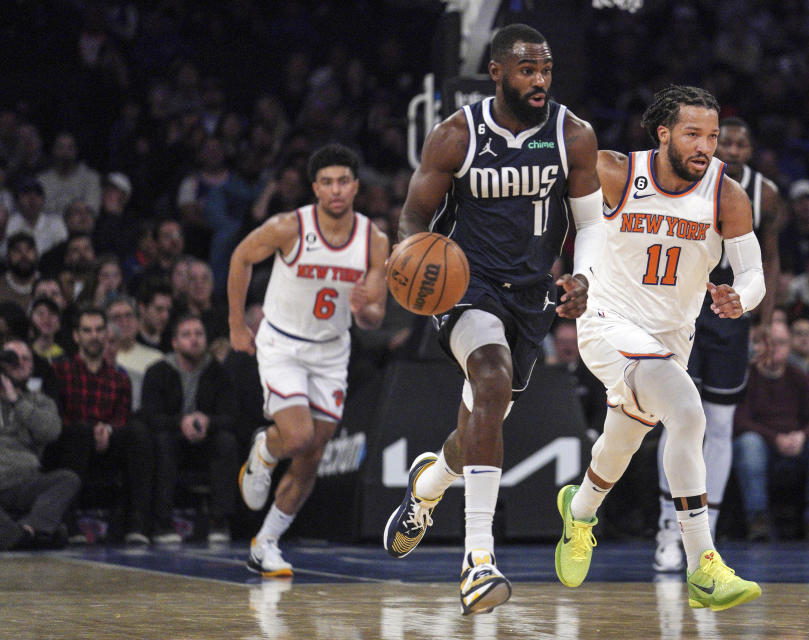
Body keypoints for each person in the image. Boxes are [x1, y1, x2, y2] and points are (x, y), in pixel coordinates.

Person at [379, 23, 604, 615]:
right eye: (528, 69)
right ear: (497, 71)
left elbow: (593, 226)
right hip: (466, 282)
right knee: (490, 377)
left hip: (531, 294)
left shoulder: (572, 135)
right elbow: (413, 219)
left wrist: (584, 278)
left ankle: (428, 485)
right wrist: (413, 269)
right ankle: (478, 561)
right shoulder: (455, 136)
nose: (540, 80)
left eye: (547, 70)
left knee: (482, 417)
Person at [553, 85, 762, 611]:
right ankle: (703, 564)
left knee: (620, 443)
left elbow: (753, 273)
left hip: (671, 338)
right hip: (607, 322)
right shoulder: (616, 172)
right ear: (664, 133)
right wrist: (564, 276)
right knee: (689, 413)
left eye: (713, 136)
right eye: (693, 134)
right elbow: (560, 210)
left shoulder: (727, 194)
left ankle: (578, 512)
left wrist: (743, 298)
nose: (705, 146)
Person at [229, 143, 388, 577]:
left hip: (332, 352)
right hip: (283, 344)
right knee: (296, 437)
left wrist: (363, 309)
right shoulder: (289, 227)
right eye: (327, 182)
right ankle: (264, 449)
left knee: (313, 453)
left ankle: (266, 543)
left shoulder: (374, 241)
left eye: (343, 182)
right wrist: (236, 325)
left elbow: (375, 317)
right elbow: (241, 256)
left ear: (355, 186)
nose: (336, 190)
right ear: (315, 187)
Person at [652, 116, 782, 573]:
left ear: (749, 150)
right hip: (684, 303)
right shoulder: (686, 179)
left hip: (732, 306)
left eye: (740, 142)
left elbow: (770, 259)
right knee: (679, 417)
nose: (732, 147)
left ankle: (706, 536)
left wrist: (764, 321)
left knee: (721, 425)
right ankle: (669, 526)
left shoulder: (764, 192)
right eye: (724, 139)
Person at [45, 307, 153, 544]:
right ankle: (69, 524)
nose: (94, 335)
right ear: (76, 336)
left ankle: (137, 525)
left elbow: (122, 417)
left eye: (99, 330)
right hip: (71, 445)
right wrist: (89, 430)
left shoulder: (119, 379)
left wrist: (108, 430)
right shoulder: (59, 371)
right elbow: (55, 416)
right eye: (87, 330)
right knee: (79, 432)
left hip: (108, 445)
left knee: (138, 432)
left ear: (106, 334)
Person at [733, 320, 809, 541]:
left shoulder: (800, 377)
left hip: (797, 445)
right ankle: (757, 519)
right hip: (763, 446)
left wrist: (802, 436)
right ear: (758, 346)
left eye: (781, 343)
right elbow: (739, 421)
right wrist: (774, 438)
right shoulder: (746, 377)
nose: (775, 348)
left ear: (789, 347)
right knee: (749, 443)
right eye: (769, 342)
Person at [141, 314, 238, 543]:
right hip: (172, 440)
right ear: (175, 342)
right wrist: (180, 423)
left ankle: (219, 521)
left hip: (207, 441)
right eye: (187, 335)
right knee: (161, 440)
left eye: (199, 334)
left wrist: (208, 422)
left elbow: (232, 416)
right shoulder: (158, 371)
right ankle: (162, 522)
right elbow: (150, 416)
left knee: (226, 441)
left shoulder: (219, 372)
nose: (194, 340)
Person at [0, 338, 79, 550]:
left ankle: (27, 531)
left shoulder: (40, 401)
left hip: (25, 484)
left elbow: (51, 431)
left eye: (26, 359)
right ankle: (35, 535)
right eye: (12, 358)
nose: (20, 363)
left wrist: (16, 401)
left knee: (67, 479)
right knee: (57, 532)